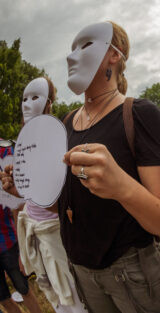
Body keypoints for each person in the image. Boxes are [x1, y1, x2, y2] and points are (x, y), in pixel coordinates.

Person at [41, 21, 160, 313]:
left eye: (85, 45)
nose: (70, 57)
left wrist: (122, 187)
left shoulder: (138, 114)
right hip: (81, 270)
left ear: (115, 55)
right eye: (71, 49)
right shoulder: (64, 123)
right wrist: (32, 188)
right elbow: (64, 206)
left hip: (132, 272)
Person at [2, 77, 87, 313]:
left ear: (49, 103)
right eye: (24, 99)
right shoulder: (22, 143)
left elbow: (65, 193)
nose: (27, 104)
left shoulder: (60, 136)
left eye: (35, 97)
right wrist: (15, 189)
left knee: (73, 294)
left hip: (56, 231)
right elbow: (29, 196)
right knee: (52, 291)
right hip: (34, 230)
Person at [0, 140, 41, 313]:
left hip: (9, 239)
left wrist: (23, 246)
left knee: (24, 289)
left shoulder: (6, 152)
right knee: (3, 299)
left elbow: (20, 201)